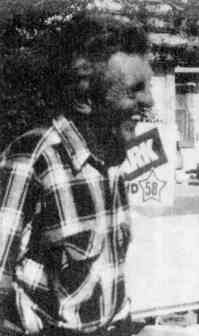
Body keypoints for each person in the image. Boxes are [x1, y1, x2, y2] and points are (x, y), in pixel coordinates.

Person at [0, 12, 153, 336]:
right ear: (85, 100)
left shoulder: (111, 160)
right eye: (134, 90)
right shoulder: (34, 158)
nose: (149, 100)